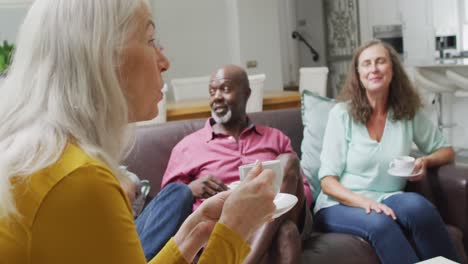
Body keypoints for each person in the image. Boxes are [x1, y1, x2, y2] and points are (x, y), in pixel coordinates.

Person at [0, 0, 277, 263]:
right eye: (149, 40)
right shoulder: (81, 181)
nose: (164, 61)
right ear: (104, 56)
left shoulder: (49, 158)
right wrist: (235, 231)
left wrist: (192, 235)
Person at [313, 39, 459, 264]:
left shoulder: (407, 112)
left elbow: (446, 151)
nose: (374, 69)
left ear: (392, 69)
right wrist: (364, 203)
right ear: (358, 73)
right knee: (381, 224)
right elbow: (327, 182)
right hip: (339, 203)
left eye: (380, 61)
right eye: (367, 63)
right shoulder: (342, 114)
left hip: (388, 197)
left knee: (420, 208)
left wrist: (426, 161)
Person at [161, 64, 314, 264]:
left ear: (246, 94)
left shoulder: (275, 138)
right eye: (212, 91)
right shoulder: (188, 146)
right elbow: (167, 202)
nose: (216, 97)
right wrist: (191, 189)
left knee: (288, 161)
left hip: (276, 214)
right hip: (223, 225)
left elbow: (304, 191)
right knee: (287, 233)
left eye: (225, 89)